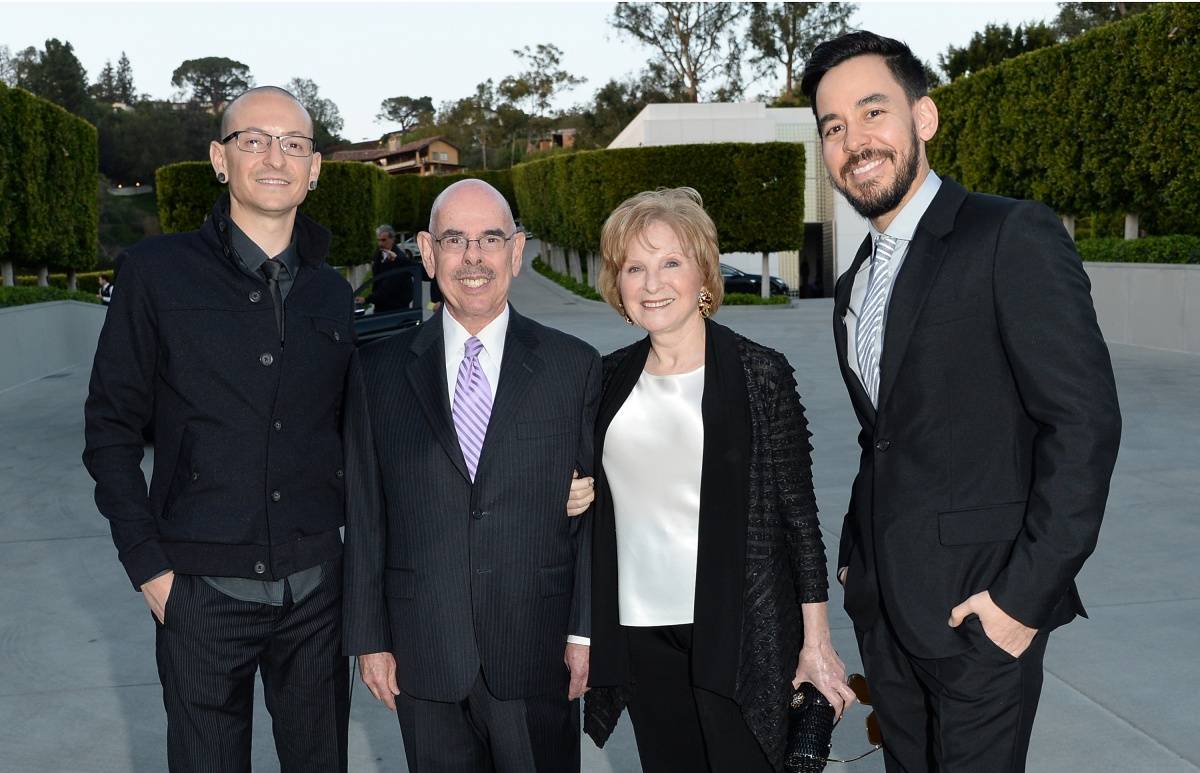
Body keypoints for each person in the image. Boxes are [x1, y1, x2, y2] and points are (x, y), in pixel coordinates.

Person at [799, 31, 1122, 772]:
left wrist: (1020, 603)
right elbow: (883, 434)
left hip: (982, 615)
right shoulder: (853, 284)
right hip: (887, 614)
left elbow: (1083, 424)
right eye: (834, 126)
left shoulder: (1009, 234)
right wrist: (856, 554)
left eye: (873, 112)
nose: (854, 141)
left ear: (924, 117)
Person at [83, 86, 355, 772]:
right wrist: (149, 568)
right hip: (199, 592)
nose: (274, 157)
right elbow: (110, 428)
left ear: (315, 167)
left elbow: (360, 429)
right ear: (219, 158)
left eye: (293, 144)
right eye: (253, 140)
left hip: (317, 594)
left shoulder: (331, 292)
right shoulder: (155, 273)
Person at [583, 188, 854, 772]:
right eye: (634, 267)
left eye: (670, 262)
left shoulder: (760, 373)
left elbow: (799, 519)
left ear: (704, 273)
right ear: (617, 284)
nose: (652, 283)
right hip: (640, 630)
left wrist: (817, 642)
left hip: (740, 631)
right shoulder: (604, 381)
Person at [342, 178, 601, 772]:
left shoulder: (574, 366)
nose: (474, 257)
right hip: (423, 649)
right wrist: (369, 639)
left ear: (517, 250)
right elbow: (365, 513)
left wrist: (585, 633)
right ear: (428, 253)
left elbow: (595, 521)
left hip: (537, 648)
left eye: (490, 239)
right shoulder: (376, 372)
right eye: (455, 239)